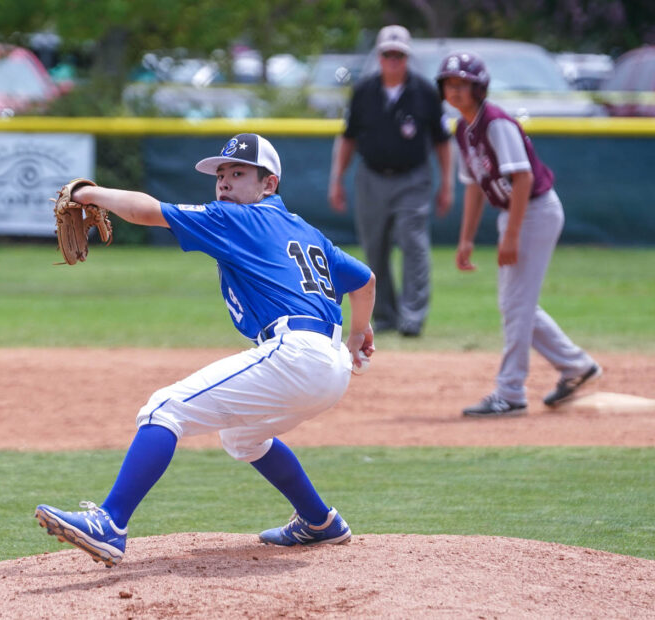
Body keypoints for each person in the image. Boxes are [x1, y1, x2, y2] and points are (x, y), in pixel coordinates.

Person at [35, 133, 376, 566]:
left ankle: (110, 522)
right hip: (331, 369)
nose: (224, 183)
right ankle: (319, 520)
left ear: (269, 184)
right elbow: (365, 280)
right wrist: (359, 334)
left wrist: (87, 192)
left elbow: (146, 210)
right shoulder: (305, 231)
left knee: (164, 409)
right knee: (243, 437)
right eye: (221, 175)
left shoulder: (235, 219)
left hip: (295, 354)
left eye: (238, 173)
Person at [435, 52, 601, 417]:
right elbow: (475, 187)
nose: (455, 90)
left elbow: (523, 177)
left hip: (534, 212)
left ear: (478, 88)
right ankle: (576, 366)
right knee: (516, 305)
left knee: (516, 306)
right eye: (449, 84)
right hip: (515, 215)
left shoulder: (495, 123)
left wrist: (511, 236)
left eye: (462, 84)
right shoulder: (464, 129)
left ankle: (511, 392)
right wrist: (466, 239)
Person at [329, 24, 453, 337]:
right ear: (380, 57)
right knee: (375, 247)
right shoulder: (364, 91)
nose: (394, 60)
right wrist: (336, 180)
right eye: (388, 54)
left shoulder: (425, 92)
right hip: (371, 176)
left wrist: (447, 184)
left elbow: (442, 141)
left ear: (407, 57)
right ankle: (384, 314)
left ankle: (412, 316)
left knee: (413, 243)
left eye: (399, 54)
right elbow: (347, 138)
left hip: (413, 178)